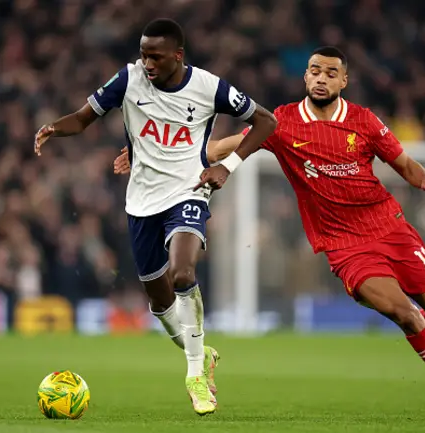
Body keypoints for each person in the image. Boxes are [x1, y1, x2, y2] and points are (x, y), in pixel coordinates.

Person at [115, 45, 425, 421]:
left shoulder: (363, 121)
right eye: (315, 71)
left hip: (392, 230)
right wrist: (150, 152)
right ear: (305, 76)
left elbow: (404, 163)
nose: (321, 78)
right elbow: (220, 147)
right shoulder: (283, 122)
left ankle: (401, 318)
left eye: (331, 73)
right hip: (345, 246)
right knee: (407, 315)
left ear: (344, 80)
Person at [35, 18, 277, 415]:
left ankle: (195, 374)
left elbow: (266, 121)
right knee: (159, 301)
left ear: (177, 56)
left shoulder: (208, 87)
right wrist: (53, 129)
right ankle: (201, 351)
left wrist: (228, 166)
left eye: (155, 56)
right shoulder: (128, 80)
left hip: (189, 191)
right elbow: (82, 118)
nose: (146, 62)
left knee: (183, 274)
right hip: (142, 203)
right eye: (143, 54)